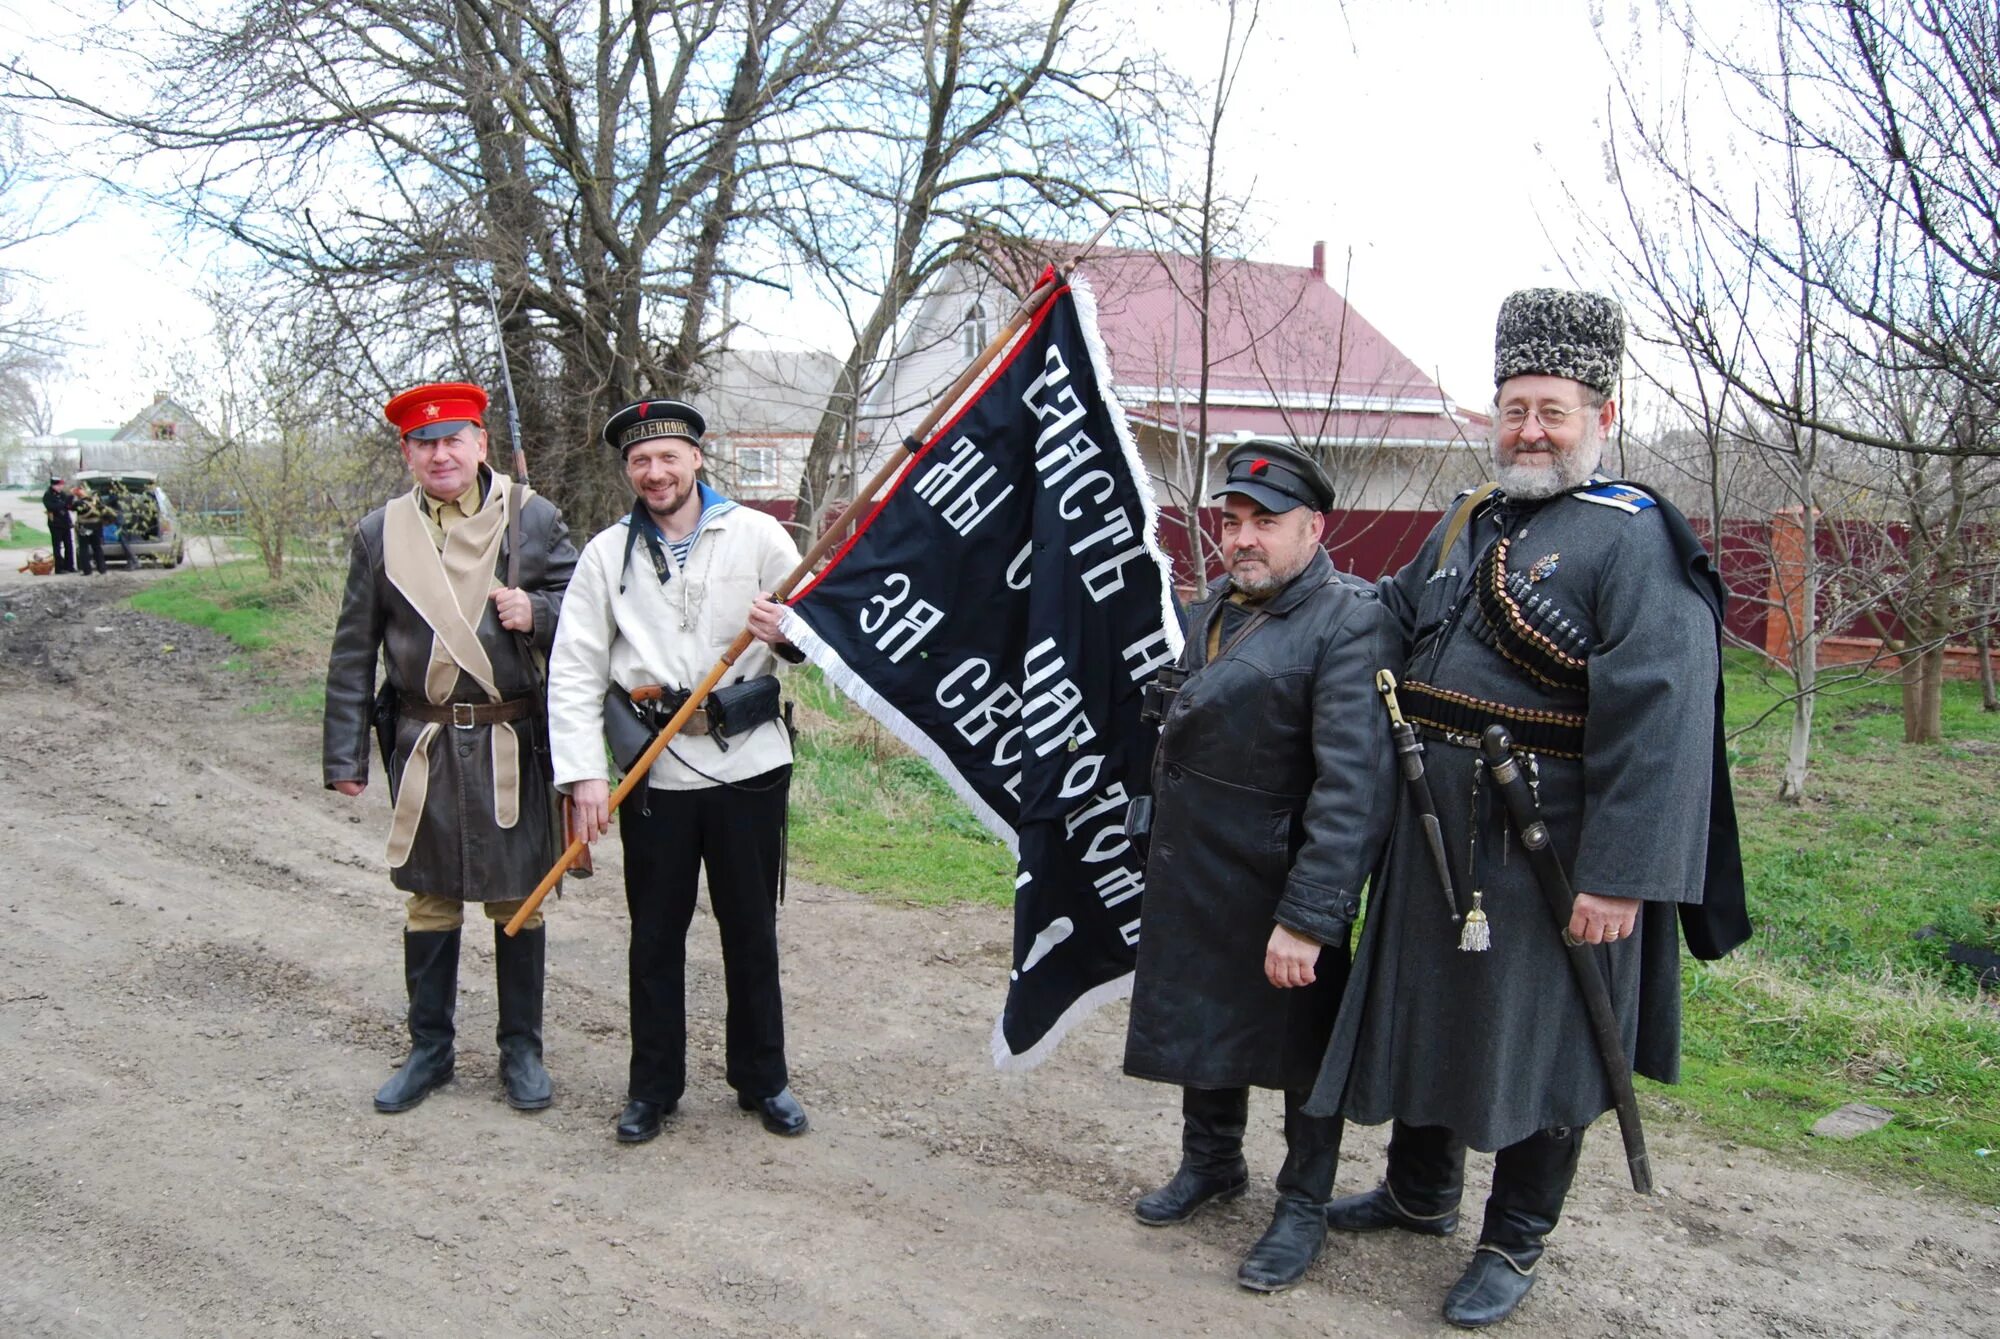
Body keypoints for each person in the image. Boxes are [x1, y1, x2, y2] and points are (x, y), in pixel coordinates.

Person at [1308, 289, 1746, 1328]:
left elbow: (1665, 719)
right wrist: (1276, 593)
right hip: (1431, 828)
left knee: (1543, 1044)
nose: (1528, 430)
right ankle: (1419, 1194)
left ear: (1604, 410)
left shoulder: (1636, 540)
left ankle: (1513, 1239)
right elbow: (1389, 620)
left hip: (1555, 847)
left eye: (1551, 409)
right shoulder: (1469, 518)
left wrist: (1621, 877)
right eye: (1513, 407)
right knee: (1429, 1013)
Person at [1121, 440, 1400, 1293]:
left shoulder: (1349, 620)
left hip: (1279, 883)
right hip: (1197, 869)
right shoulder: (1216, 608)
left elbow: (1355, 786)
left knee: (1301, 1052)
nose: (1243, 538)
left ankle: (1303, 1205)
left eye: (1266, 523)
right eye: (1233, 521)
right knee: (1205, 1022)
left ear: (1314, 527)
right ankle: (1212, 1163)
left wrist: (1310, 916)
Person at [546, 397, 809, 1145]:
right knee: (654, 936)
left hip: (748, 765)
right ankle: (652, 1088)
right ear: (628, 470)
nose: (654, 472)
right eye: (639, 460)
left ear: (697, 458)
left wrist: (785, 631)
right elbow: (573, 670)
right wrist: (584, 774)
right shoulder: (605, 554)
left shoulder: (759, 535)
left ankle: (765, 1079)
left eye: (667, 456)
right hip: (653, 772)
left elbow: (816, 633)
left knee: (751, 930)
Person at [322, 381, 579, 1115]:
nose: (441, 453)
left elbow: (584, 616)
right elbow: (352, 652)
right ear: (408, 452)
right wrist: (346, 756)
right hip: (424, 738)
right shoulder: (379, 533)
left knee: (517, 900)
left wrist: (538, 611)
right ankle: (429, 1051)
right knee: (429, 898)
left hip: (510, 737)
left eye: (454, 438)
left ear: (481, 445)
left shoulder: (533, 519)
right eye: (425, 442)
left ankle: (520, 1050)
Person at [70, 483, 109, 576]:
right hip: (96, 527)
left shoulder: (78, 503)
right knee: (97, 548)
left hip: (84, 527)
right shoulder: (97, 501)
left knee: (84, 549)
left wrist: (72, 495)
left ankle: (87, 570)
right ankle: (102, 569)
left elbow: (70, 507)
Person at [41, 477, 74, 574]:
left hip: (65, 523)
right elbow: (52, 507)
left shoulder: (62, 494)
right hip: (55, 524)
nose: (61, 487)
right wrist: (63, 504)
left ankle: (69, 566)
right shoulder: (48, 495)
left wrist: (70, 499)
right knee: (57, 546)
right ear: (53, 485)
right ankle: (59, 568)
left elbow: (68, 506)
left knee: (69, 545)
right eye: (59, 485)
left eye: (61, 485)